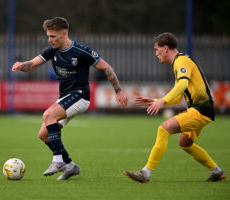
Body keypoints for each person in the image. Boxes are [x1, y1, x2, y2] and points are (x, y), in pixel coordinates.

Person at [12, 17, 128, 180]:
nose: (49, 40)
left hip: (81, 96)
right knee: (44, 135)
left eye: (53, 36)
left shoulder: (82, 51)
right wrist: (20, 65)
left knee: (48, 115)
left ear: (64, 33)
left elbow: (106, 67)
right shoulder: (52, 50)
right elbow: (32, 64)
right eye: (48, 36)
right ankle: (71, 166)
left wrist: (119, 92)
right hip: (66, 97)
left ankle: (58, 161)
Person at [124, 32, 226, 183]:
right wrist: (155, 100)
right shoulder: (179, 63)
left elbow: (182, 84)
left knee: (163, 129)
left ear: (165, 48)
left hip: (200, 110)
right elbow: (179, 97)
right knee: (185, 143)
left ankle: (146, 173)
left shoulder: (181, 61)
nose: (156, 53)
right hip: (201, 109)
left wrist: (162, 101)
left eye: (156, 49)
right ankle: (217, 171)